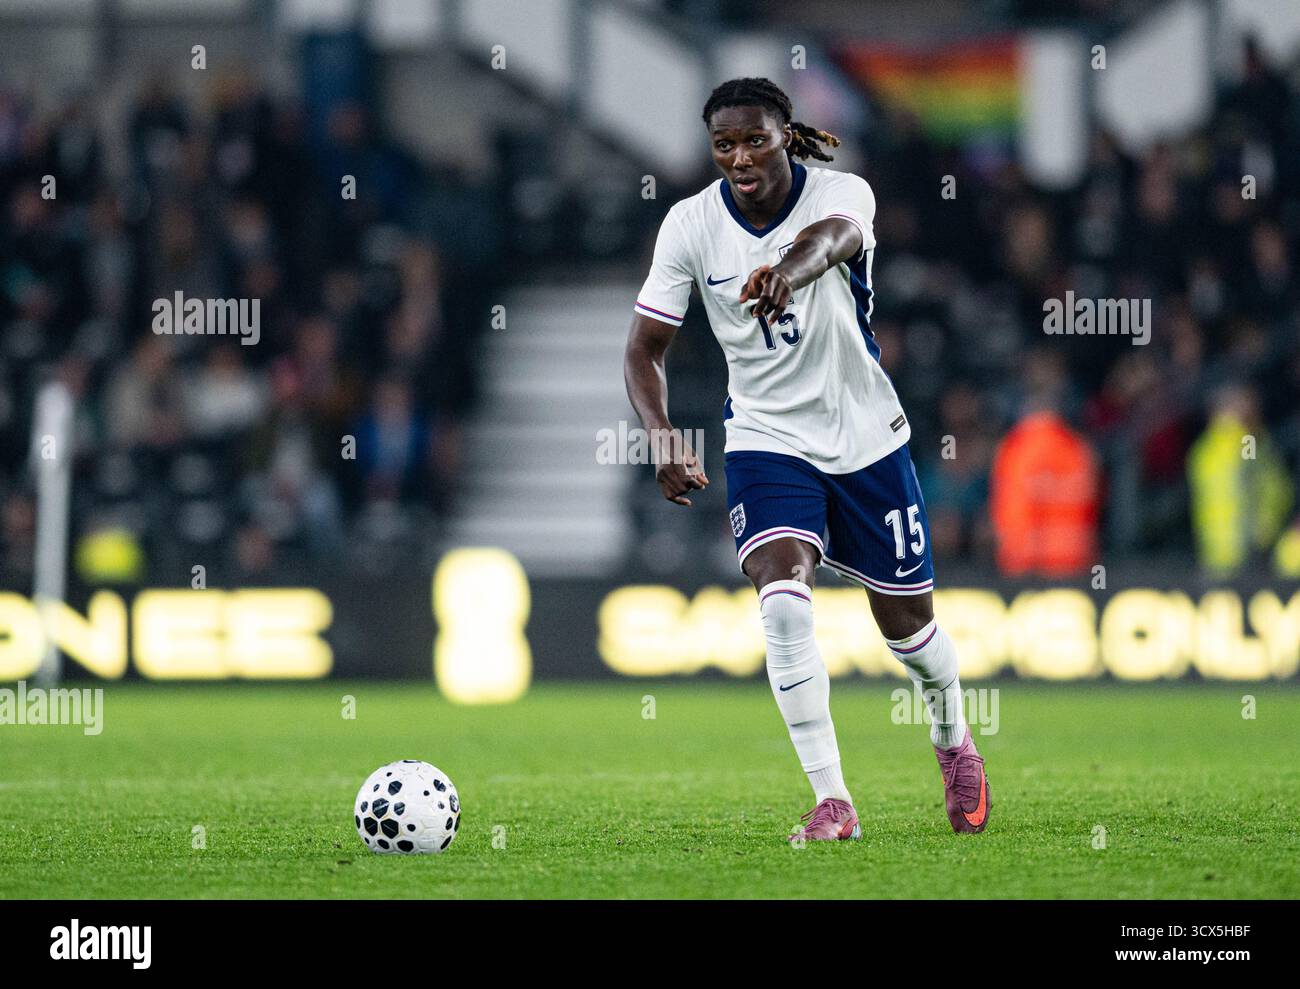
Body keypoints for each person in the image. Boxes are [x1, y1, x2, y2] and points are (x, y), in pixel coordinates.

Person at [623, 78, 989, 840]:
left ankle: (953, 737)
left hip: (864, 436)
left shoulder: (843, 191)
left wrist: (784, 274)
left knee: (911, 635)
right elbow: (643, 350)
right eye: (724, 144)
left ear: (786, 135)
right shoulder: (690, 225)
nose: (740, 156)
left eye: (755, 138)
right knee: (783, 599)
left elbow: (834, 240)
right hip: (765, 439)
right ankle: (834, 800)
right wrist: (663, 438)